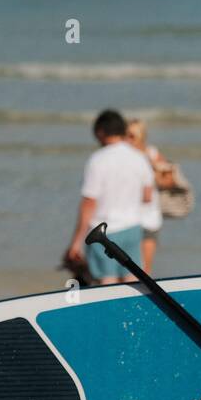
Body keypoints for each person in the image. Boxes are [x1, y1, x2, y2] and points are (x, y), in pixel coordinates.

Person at [66, 110, 153, 285]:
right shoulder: (139, 157)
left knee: (107, 283)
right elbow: (147, 196)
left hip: (104, 232)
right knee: (133, 280)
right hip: (133, 227)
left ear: (100, 132)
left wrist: (76, 242)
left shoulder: (98, 160)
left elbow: (89, 202)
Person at [124, 118, 180, 275]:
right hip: (126, 218)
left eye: (132, 135)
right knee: (126, 267)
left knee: (144, 269)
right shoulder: (122, 156)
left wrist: (153, 170)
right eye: (125, 135)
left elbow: (170, 182)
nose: (128, 139)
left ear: (141, 136)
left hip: (149, 218)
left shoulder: (151, 153)